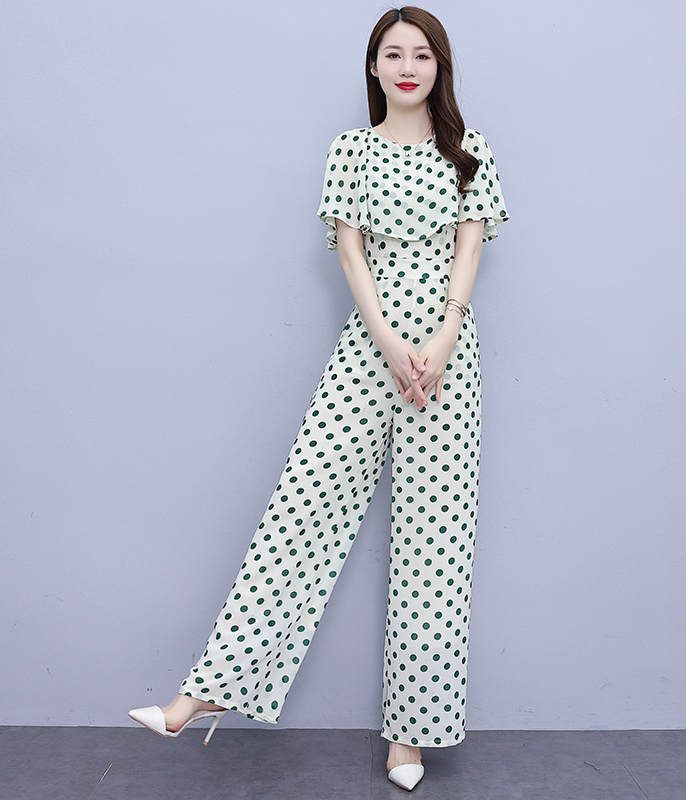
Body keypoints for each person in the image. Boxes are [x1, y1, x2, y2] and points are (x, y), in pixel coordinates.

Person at [129, 6, 508, 791]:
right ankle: (208, 691)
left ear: (440, 67)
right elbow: (350, 253)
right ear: (373, 67)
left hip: (447, 361)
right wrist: (388, 340)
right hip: (368, 351)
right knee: (302, 506)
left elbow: (469, 248)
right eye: (393, 54)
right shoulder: (351, 150)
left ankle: (410, 739)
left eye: (423, 55)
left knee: (436, 547)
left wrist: (441, 339)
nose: (408, 67)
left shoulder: (471, 149)